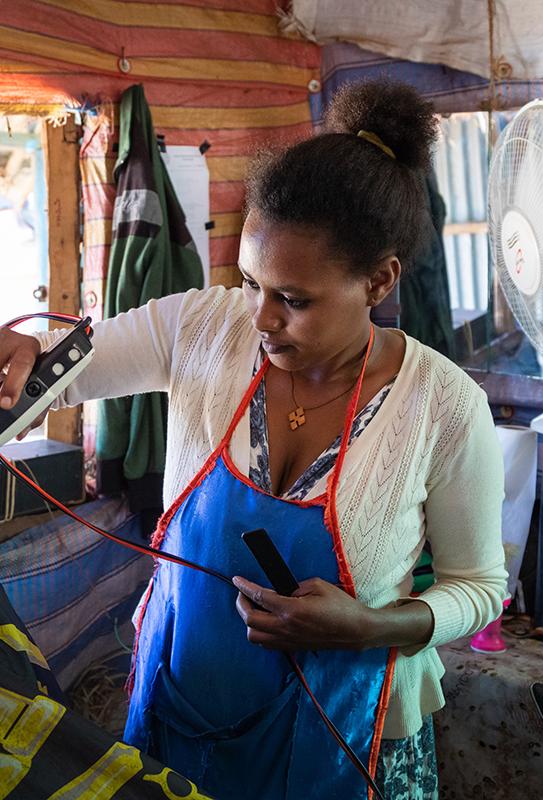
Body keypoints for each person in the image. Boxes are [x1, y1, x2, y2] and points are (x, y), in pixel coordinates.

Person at [0, 80, 507, 800]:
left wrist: (368, 626)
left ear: (379, 281)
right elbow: (63, 368)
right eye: (248, 283)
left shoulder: (444, 405)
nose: (260, 319)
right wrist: (22, 359)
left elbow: (480, 588)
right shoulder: (201, 328)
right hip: (179, 719)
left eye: (293, 301)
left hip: (350, 738)